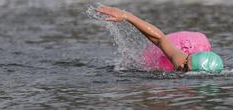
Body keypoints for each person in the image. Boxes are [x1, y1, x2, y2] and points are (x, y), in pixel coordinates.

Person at [95, 6, 224, 73]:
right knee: (152, 61)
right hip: (183, 42)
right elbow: (159, 38)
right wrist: (126, 16)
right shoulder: (181, 61)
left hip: (198, 43)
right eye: (185, 65)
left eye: (185, 69)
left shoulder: (197, 66)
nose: (181, 67)